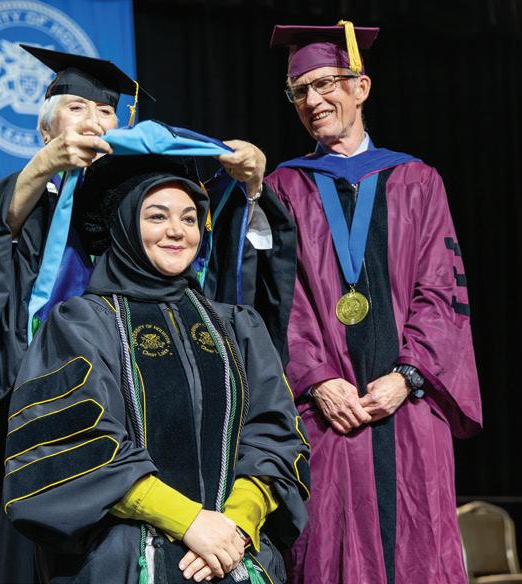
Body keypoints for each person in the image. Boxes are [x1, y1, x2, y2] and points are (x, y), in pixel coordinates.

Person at [0, 46, 265, 582]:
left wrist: (246, 187)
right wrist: (43, 167)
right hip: (54, 424)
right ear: (46, 129)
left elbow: (212, 276)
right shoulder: (30, 203)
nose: (94, 122)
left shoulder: (134, 202)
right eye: (77, 108)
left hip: (149, 412)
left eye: (107, 112)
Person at [216, 21, 481, 584]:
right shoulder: (284, 188)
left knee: (417, 547)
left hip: (407, 409)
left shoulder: (418, 181)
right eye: (299, 91)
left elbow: (441, 291)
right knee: (328, 554)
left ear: (361, 87)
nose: (313, 100)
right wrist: (315, 378)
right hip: (326, 413)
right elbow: (273, 300)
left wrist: (408, 376)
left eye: (325, 84)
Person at [2, 155, 309, 583]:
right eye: (157, 216)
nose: (177, 231)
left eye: (189, 218)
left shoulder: (236, 326)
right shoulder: (82, 325)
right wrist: (189, 521)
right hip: (125, 561)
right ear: (124, 226)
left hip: (231, 558)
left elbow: (274, 436)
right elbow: (76, 448)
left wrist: (235, 525)